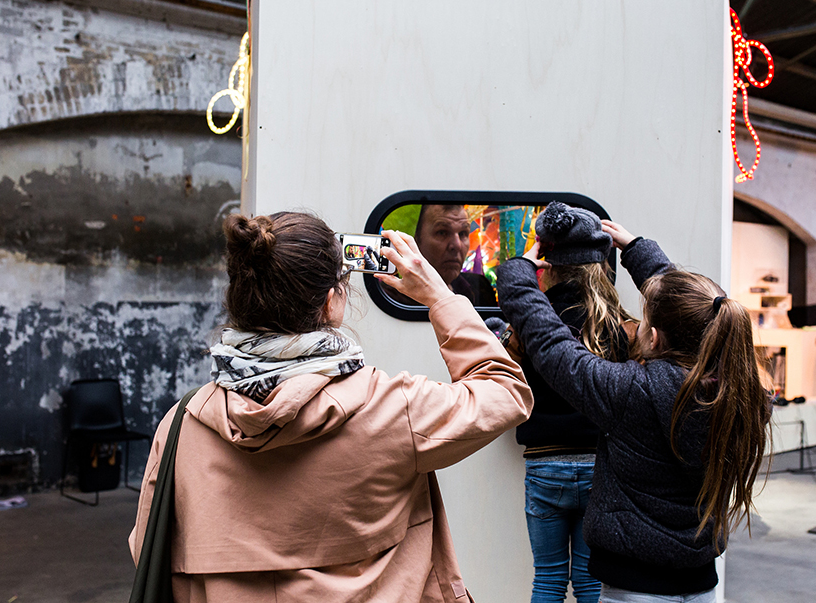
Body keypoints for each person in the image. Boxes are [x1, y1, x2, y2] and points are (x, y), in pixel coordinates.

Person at [129, 211, 533, 603]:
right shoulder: (392, 408)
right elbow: (505, 391)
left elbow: (147, 547)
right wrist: (439, 296)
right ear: (329, 303)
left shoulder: (183, 424)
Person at [497, 221, 772, 602]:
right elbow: (695, 311)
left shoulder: (631, 393)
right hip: (701, 586)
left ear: (654, 338)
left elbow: (550, 342)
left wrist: (519, 271)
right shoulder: (746, 396)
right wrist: (638, 250)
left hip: (635, 589)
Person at [499, 202, 634, 603]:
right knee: (591, 581)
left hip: (544, 465)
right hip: (597, 467)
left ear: (546, 264)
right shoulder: (616, 325)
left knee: (548, 578)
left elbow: (503, 368)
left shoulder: (529, 323)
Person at [414, 204, 498, 306]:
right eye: (442, 233)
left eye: (463, 233)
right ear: (416, 239)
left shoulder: (480, 289)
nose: (457, 245)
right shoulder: (398, 298)